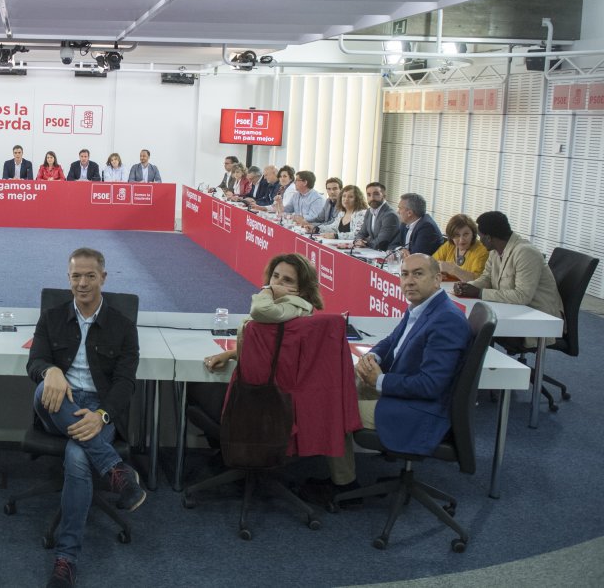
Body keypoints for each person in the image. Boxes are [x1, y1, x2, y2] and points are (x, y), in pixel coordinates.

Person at [303, 254, 471, 507]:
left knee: (334, 408)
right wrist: (372, 356)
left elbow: (430, 386)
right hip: (403, 392)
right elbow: (393, 340)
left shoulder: (446, 320)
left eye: (418, 274)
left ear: (437, 279)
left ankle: (344, 485)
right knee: (337, 387)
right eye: (404, 274)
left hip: (419, 411)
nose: (409, 281)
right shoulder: (422, 306)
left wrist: (380, 381)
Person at [27, 248, 145, 588]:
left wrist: (102, 415)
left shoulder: (122, 326)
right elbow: (34, 362)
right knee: (41, 391)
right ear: (68, 278)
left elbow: (125, 383)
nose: (82, 282)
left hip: (99, 407)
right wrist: (50, 371)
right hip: (58, 402)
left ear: (103, 278)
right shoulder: (51, 317)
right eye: (76, 276)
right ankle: (116, 471)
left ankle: (65, 560)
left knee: (78, 455)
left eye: (90, 276)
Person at [196, 254, 326, 429]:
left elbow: (259, 309)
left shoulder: (294, 306)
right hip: (266, 392)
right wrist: (231, 354)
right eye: (275, 276)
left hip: (263, 397)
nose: (277, 283)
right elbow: (272, 349)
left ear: (301, 290)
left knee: (194, 388)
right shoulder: (282, 308)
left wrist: (268, 290)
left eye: (287, 280)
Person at [454, 211, 563, 348]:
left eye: (480, 237)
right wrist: (467, 287)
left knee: (476, 326)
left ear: (488, 238)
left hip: (537, 317)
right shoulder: (495, 251)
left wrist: (479, 292)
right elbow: (487, 278)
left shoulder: (526, 253)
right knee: (472, 323)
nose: (479, 241)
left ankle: (474, 364)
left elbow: (522, 296)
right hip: (512, 309)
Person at [433, 214, 489, 281]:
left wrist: (454, 269)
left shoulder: (482, 251)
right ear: (451, 236)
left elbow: (479, 280)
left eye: (466, 234)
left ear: (473, 233)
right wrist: (436, 273)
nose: (461, 240)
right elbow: (431, 263)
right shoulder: (449, 245)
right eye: (457, 235)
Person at [353, 182, 399, 251]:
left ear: (384, 196)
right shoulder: (369, 211)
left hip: (386, 254)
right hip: (372, 251)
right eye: (369, 195)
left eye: (376, 194)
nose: (372, 198)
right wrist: (358, 241)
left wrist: (365, 243)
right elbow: (361, 233)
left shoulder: (390, 215)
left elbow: (381, 242)